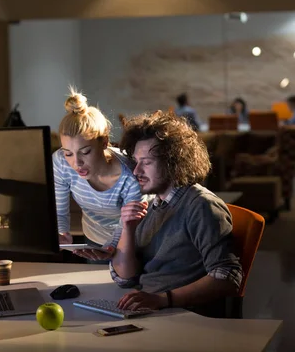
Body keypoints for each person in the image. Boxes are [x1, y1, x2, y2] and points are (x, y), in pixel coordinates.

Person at [110, 111, 243, 316]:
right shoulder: (150, 205)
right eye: (136, 161)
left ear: (173, 162)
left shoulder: (201, 206)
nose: (136, 171)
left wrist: (163, 299)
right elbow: (125, 279)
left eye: (146, 162)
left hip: (184, 315)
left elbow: (227, 277)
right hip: (148, 309)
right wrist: (128, 229)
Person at [54, 87, 145, 262]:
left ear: (104, 142)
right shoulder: (60, 162)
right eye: (68, 153)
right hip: (94, 238)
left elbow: (128, 223)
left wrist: (112, 247)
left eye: (85, 152)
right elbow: (59, 208)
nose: (76, 163)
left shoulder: (131, 175)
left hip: (135, 237)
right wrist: (62, 232)